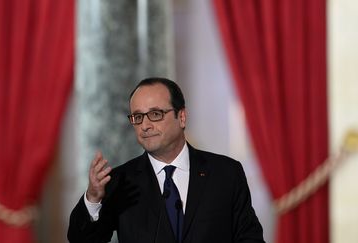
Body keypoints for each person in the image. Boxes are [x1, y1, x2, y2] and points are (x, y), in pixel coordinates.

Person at [68, 77, 265, 243]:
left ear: (181, 117)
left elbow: (250, 238)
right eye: (137, 117)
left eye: (155, 114)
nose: (144, 125)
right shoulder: (120, 181)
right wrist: (93, 199)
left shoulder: (226, 173)